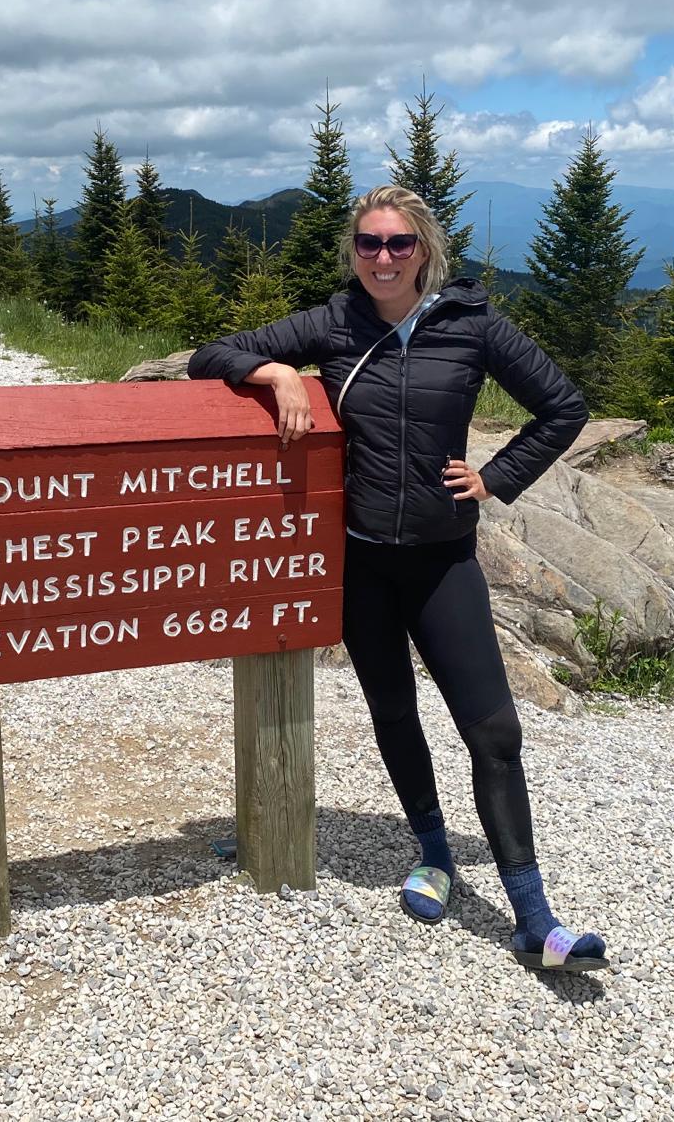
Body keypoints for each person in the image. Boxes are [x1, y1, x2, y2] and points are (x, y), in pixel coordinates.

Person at [188, 184, 608, 974]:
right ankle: (435, 855)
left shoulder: (471, 324)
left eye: (399, 245)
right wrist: (278, 372)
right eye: (369, 244)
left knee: (494, 731)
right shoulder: (333, 322)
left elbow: (563, 406)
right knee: (394, 710)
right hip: (359, 562)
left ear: (425, 251)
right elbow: (207, 357)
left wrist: (494, 477)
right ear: (354, 251)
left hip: (441, 558)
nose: (383, 258)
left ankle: (534, 916)